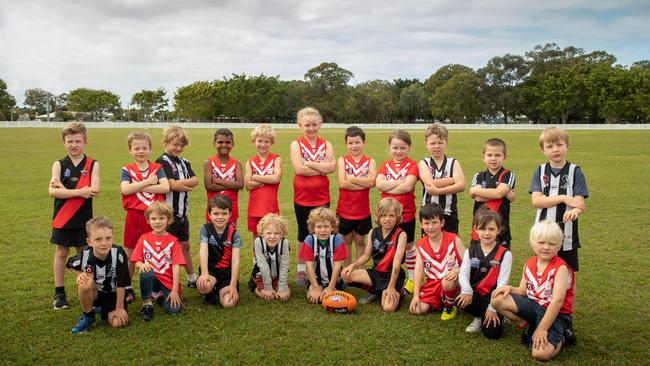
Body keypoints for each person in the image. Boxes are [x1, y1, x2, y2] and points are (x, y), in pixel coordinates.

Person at [491, 221, 576, 361]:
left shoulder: (561, 268)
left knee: (540, 354)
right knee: (497, 299)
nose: (546, 247)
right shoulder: (530, 262)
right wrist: (510, 288)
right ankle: (528, 325)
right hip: (533, 306)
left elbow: (557, 301)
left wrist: (542, 329)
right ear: (533, 243)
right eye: (541, 242)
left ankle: (563, 337)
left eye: (552, 244)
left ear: (558, 246)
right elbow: (523, 291)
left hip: (555, 314)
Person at [49, 122, 100, 310]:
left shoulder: (92, 164)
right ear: (64, 143)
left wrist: (66, 190)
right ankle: (59, 293)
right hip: (62, 218)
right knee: (61, 253)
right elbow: (53, 192)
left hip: (84, 220)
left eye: (77, 141)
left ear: (84, 141)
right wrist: (80, 192)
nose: (74, 144)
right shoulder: (59, 164)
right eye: (69, 141)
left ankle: (87, 290)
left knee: (84, 256)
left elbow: (94, 190)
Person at [120, 131, 170, 302]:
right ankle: (127, 287)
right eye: (136, 148)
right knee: (131, 252)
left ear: (150, 149)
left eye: (144, 148)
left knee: (156, 250)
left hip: (154, 216)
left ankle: (158, 286)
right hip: (134, 216)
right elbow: (125, 190)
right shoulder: (127, 169)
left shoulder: (157, 168)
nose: (140, 151)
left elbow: (165, 187)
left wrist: (137, 187)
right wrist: (148, 182)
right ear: (130, 150)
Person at [529, 127, 588, 272]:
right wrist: (563, 197)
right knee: (542, 270)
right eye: (550, 146)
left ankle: (568, 296)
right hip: (544, 234)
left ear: (567, 146)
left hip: (567, 234)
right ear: (543, 150)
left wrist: (575, 211)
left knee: (568, 273)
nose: (555, 149)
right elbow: (536, 201)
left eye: (559, 145)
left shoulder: (575, 172)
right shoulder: (540, 171)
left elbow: (579, 204)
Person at [290, 107, 336, 285]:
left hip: (322, 197)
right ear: (300, 125)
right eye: (307, 125)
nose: (311, 128)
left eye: (314, 125)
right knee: (303, 233)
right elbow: (298, 169)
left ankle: (320, 266)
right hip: (302, 197)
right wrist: (320, 167)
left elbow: (332, 167)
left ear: (320, 124)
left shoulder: (327, 144)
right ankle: (301, 270)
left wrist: (308, 163)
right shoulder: (296, 144)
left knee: (323, 232)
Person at [342, 198, 406, 313]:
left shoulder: (401, 235)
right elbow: (366, 256)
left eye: (391, 215)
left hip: (392, 276)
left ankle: (397, 290)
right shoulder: (373, 232)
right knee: (345, 274)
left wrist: (391, 287)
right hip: (377, 273)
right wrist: (353, 265)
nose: (387, 219)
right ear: (378, 217)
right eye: (384, 215)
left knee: (388, 308)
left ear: (397, 217)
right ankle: (376, 291)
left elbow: (396, 265)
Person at [66, 216, 129, 334]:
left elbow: (121, 283)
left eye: (108, 238)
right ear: (89, 242)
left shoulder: (119, 254)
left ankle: (101, 309)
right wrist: (80, 274)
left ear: (113, 238)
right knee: (85, 282)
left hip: (113, 294)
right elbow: (69, 264)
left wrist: (119, 308)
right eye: (98, 239)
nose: (104, 243)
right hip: (95, 292)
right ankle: (89, 316)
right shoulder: (85, 255)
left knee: (118, 323)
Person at [457, 209, 512, 338]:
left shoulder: (505, 254)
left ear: (499, 230)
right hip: (475, 294)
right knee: (460, 299)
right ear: (476, 229)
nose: (486, 233)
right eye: (482, 229)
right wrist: (467, 291)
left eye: (491, 229)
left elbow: (502, 283)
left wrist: (493, 308)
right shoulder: (469, 251)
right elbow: (463, 274)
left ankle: (501, 314)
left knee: (492, 334)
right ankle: (478, 316)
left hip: (493, 297)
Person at [375, 130, 419, 294]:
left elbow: (408, 186)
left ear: (409, 147)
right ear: (389, 147)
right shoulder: (385, 165)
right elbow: (379, 185)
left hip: (406, 214)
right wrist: (401, 181)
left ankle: (413, 280)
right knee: (386, 248)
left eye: (402, 147)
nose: (398, 151)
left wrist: (390, 185)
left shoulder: (413, 165)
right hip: (386, 215)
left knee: (408, 247)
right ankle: (386, 280)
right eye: (395, 147)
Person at [155, 125, 199, 288]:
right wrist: (185, 185)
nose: (178, 148)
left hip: (182, 213)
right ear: (165, 142)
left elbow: (195, 180)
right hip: (168, 215)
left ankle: (191, 277)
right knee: (166, 249)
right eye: (175, 144)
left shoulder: (184, 161)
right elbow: (171, 185)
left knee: (185, 246)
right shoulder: (162, 161)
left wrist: (181, 185)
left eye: (181, 145)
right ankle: (163, 281)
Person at [130, 201, 185, 321]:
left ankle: (161, 295)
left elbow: (176, 267)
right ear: (148, 221)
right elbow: (136, 260)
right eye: (153, 218)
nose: (157, 222)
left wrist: (175, 290)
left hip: (167, 281)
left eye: (162, 218)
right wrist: (142, 264)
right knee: (146, 272)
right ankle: (147, 303)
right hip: (152, 278)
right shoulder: (143, 239)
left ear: (169, 220)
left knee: (173, 310)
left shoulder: (173, 242)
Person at [408, 203, 465, 320]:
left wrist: (457, 271)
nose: (431, 227)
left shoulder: (454, 239)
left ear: (442, 223)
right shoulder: (421, 245)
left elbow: (468, 263)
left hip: (453, 282)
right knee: (417, 310)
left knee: (447, 281)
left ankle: (450, 305)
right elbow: (418, 271)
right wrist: (415, 296)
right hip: (433, 284)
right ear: (421, 225)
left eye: (434, 222)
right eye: (426, 223)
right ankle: (439, 301)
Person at [336, 126, 376, 266]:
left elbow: (372, 182)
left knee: (360, 241)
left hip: (362, 210)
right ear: (346, 144)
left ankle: (358, 270)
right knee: (346, 241)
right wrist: (363, 183)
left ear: (364, 143)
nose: (354, 146)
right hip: (345, 210)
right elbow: (342, 184)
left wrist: (352, 179)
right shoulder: (342, 160)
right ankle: (347, 271)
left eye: (357, 142)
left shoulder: (370, 161)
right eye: (351, 143)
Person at [418, 123, 465, 234]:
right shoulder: (423, 163)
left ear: (446, 143)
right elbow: (429, 185)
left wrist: (438, 191)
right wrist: (452, 180)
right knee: (429, 247)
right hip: (429, 214)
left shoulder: (453, 162)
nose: (436, 146)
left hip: (449, 213)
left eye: (440, 143)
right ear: (426, 144)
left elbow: (461, 185)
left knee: (450, 246)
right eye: (432, 143)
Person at [469, 138, 516, 248]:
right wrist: (501, 193)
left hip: (500, 226)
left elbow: (497, 194)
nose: (493, 159)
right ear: (483, 157)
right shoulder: (479, 176)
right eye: (489, 155)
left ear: (505, 157)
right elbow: (476, 197)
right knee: (477, 258)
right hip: (480, 225)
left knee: (500, 258)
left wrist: (479, 192)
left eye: (497, 155)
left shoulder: (508, 175)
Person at [196, 195, 241, 308]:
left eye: (224, 213)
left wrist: (233, 284)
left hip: (226, 273)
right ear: (209, 214)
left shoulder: (234, 234)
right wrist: (205, 273)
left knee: (228, 303)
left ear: (230, 214)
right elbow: (203, 251)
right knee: (203, 286)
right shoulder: (205, 229)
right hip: (211, 269)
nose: (220, 217)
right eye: (216, 214)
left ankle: (219, 290)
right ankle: (210, 291)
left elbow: (235, 260)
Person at [299, 207, 348, 304]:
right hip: (317, 278)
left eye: (326, 226)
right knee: (315, 298)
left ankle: (334, 289)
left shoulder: (337, 240)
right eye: (319, 227)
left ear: (332, 227)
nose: (322, 230)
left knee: (330, 299)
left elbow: (337, 266)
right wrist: (316, 287)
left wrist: (330, 287)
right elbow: (309, 266)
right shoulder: (309, 240)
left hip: (333, 279)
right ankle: (317, 288)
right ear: (313, 228)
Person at [244, 124, 282, 240]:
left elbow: (276, 178)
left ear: (272, 143)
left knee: (273, 235)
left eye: (266, 142)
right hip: (254, 207)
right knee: (256, 236)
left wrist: (255, 176)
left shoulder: (276, 159)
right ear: (253, 141)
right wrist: (266, 179)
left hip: (270, 207)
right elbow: (248, 185)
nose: (263, 144)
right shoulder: (250, 162)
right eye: (260, 141)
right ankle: (257, 259)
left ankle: (272, 258)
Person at [204, 128, 243, 226]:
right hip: (213, 210)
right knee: (212, 239)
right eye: (220, 142)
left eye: (228, 142)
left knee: (230, 238)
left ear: (233, 144)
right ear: (214, 143)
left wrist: (217, 180)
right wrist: (232, 184)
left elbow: (240, 184)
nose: (224, 145)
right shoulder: (208, 163)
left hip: (231, 210)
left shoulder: (236, 164)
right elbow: (209, 186)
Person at [248, 213, 291, 301]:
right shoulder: (258, 242)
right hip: (261, 276)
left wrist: (282, 287)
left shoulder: (284, 243)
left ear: (282, 234)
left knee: (283, 296)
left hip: (277, 275)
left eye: (276, 233)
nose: (272, 236)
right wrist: (267, 287)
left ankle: (277, 285)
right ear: (262, 233)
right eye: (268, 233)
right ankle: (255, 286)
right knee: (269, 297)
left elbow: (284, 265)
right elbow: (262, 265)